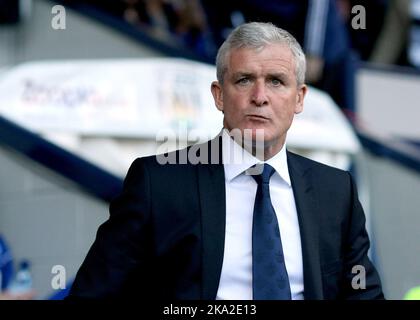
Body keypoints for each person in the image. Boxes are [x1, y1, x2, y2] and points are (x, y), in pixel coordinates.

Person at [67, 22, 384, 300]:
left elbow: (362, 295)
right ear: (219, 95)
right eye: (244, 80)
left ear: (299, 97)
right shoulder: (158, 183)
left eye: (276, 81)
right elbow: (93, 293)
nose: (260, 96)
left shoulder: (335, 191)